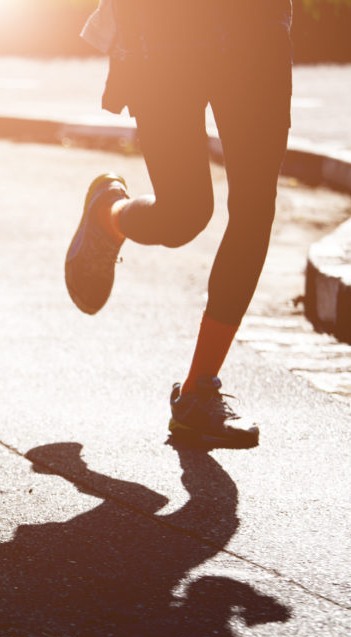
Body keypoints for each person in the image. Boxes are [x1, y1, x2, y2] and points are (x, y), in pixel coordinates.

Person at [65, 0, 294, 447]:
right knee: (185, 213)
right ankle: (108, 216)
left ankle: (197, 392)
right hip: (163, 32)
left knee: (254, 205)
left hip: (257, 28)